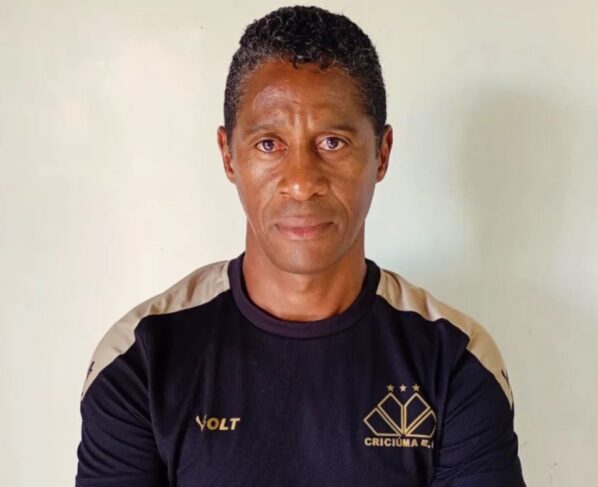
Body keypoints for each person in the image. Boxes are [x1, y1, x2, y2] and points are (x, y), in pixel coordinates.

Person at [75, 5, 525, 486]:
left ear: (382, 154)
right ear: (229, 156)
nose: (301, 182)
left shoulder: (455, 358)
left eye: (332, 142)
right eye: (269, 144)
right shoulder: (142, 357)